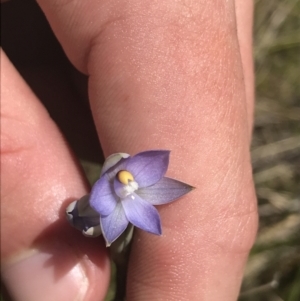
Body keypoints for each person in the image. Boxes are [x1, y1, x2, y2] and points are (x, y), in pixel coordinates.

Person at [1, 0, 258, 300]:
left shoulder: (134, 205)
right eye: (122, 177)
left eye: (125, 179)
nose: (127, 182)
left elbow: (135, 210)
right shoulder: (111, 199)